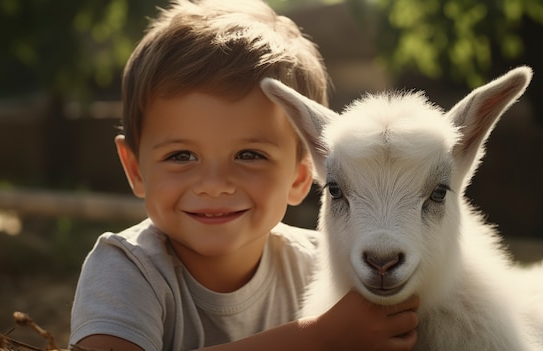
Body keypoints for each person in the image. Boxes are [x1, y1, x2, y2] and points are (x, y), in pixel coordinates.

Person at [69, 0, 419, 350]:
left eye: (249, 155)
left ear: (301, 177)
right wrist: (317, 337)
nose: (214, 185)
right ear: (135, 169)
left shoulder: (327, 267)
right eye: (181, 156)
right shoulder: (125, 268)